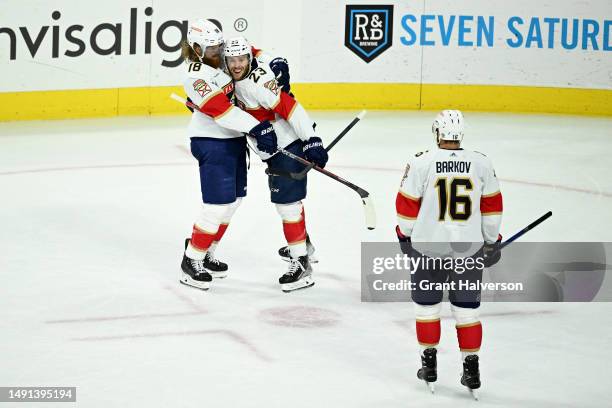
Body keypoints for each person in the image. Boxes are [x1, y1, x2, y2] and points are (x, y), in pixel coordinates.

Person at [395, 110, 503, 395]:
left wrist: (404, 236)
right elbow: (492, 209)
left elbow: (406, 207)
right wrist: (491, 241)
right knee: (467, 311)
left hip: (428, 248)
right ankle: (472, 368)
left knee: (427, 308)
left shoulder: (421, 161)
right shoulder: (481, 162)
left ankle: (428, 365)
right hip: (468, 250)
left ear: (437, 133)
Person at [178, 19, 278, 291]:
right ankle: (192, 259)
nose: (220, 52)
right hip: (211, 142)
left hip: (233, 140)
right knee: (216, 206)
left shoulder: (216, 56)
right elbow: (222, 111)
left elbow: (250, 51)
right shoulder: (195, 77)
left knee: (234, 201)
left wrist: (275, 60)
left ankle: (206, 249)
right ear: (196, 48)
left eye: (220, 46)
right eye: (213, 48)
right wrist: (257, 126)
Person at [223, 36, 328, 292]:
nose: (237, 65)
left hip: (287, 146)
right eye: (232, 60)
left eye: (241, 59)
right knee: (289, 204)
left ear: (250, 60)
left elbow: (291, 108)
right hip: (273, 150)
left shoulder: (258, 84)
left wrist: (311, 140)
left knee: (287, 206)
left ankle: (301, 263)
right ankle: (305, 245)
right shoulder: (229, 74)